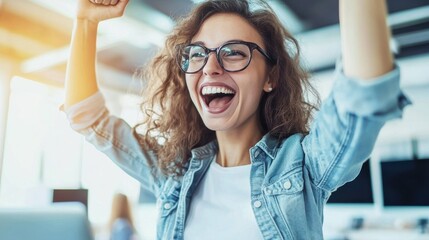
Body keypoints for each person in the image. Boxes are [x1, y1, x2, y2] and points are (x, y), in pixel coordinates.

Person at [64, 0, 409, 239]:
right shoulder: (174, 173)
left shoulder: (302, 165)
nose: (210, 67)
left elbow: (364, 94)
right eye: (197, 54)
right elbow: (87, 117)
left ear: (270, 77)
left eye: (233, 53)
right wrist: (84, 21)